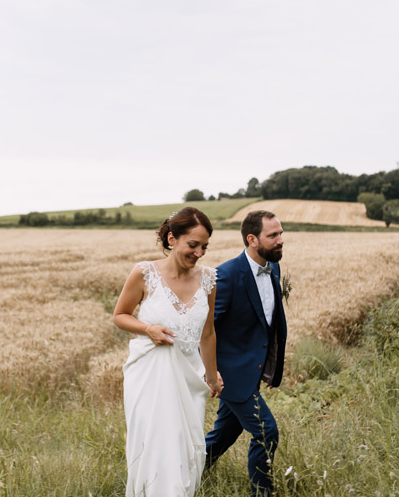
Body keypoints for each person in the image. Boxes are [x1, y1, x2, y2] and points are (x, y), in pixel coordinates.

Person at [113, 207, 223, 497]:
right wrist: (148, 329)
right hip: (150, 373)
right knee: (158, 444)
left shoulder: (209, 279)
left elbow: (208, 333)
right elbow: (120, 315)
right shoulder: (144, 273)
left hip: (189, 377)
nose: (199, 252)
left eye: (204, 246)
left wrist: (211, 377)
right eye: (193, 245)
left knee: (184, 448)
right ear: (172, 239)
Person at [205, 210, 287, 497]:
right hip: (230, 373)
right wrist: (211, 371)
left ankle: (188, 477)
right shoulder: (226, 275)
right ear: (252, 239)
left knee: (223, 435)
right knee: (266, 432)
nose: (281, 240)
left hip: (252, 369)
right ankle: (261, 494)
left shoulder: (273, 267)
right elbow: (206, 329)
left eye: (280, 233)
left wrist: (270, 365)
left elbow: (268, 323)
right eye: (273, 235)